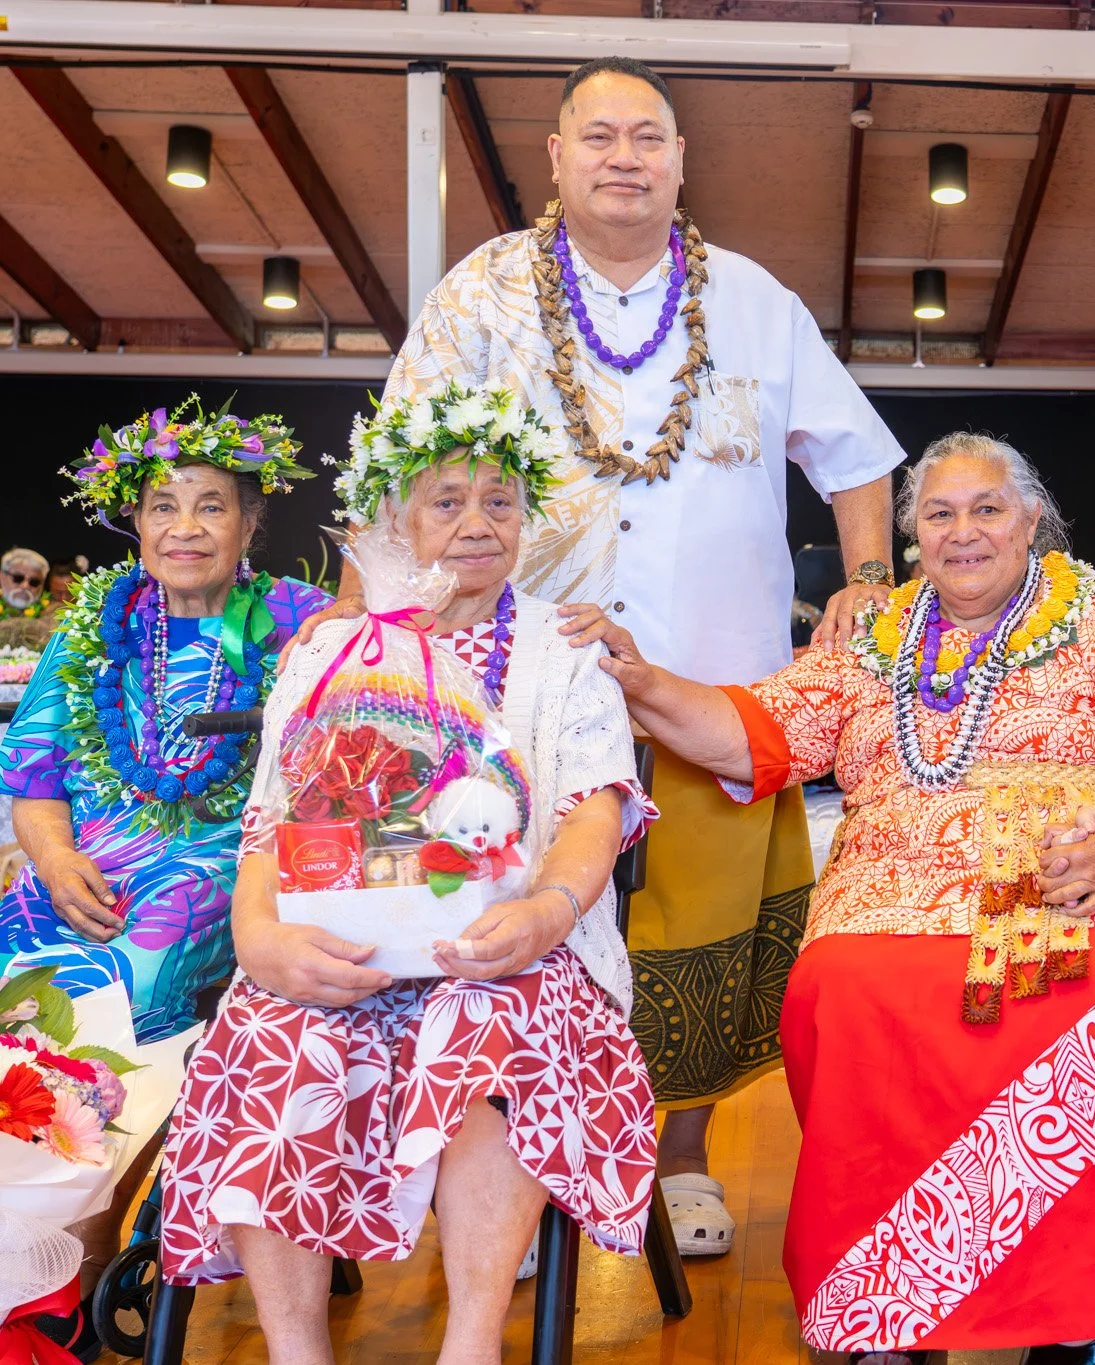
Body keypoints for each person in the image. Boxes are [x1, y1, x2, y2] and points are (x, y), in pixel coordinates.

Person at [365, 54, 907, 1254]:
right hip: (514, 689)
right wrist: (367, 649)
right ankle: (496, 1177)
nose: (625, 157)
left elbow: (858, 460)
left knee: (695, 935)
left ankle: (681, 1165)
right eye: (598, 136)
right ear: (554, 158)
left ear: (679, 161)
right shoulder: (481, 296)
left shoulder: (756, 301)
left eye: (647, 138)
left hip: (718, 687)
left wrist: (867, 585)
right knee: (494, 925)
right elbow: (393, 472)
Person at [573, 433, 1095, 1363]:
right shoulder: (873, 636)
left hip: (1078, 867)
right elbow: (754, 732)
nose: (963, 531)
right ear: (912, 537)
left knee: (1094, 985)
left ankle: (1044, 1305)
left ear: (1030, 523)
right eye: (939, 513)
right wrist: (641, 675)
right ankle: (882, 1294)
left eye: (987, 510)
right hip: (888, 881)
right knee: (841, 988)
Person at [156, 384, 658, 1361]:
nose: (477, 525)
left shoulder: (565, 647)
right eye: (447, 501)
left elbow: (596, 810)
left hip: (516, 948)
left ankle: (470, 1342)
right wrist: (261, 942)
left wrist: (546, 914)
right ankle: (298, 1350)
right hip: (344, 939)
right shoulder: (326, 652)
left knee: (485, 1021)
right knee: (270, 1025)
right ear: (394, 518)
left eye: (499, 503)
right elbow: (269, 822)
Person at [0, 399, 326, 1320]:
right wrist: (56, 861)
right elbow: (33, 773)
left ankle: (97, 1245)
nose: (185, 526)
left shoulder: (296, 622)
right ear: (133, 522)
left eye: (212, 504)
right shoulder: (87, 627)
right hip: (85, 861)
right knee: (16, 962)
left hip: (226, 864)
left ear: (251, 522)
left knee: (140, 954)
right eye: (163, 505)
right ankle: (18, 1233)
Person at [0, 548, 51, 621]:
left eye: (34, 582)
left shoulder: (54, 617)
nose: (25, 586)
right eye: (18, 578)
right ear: (2, 577)